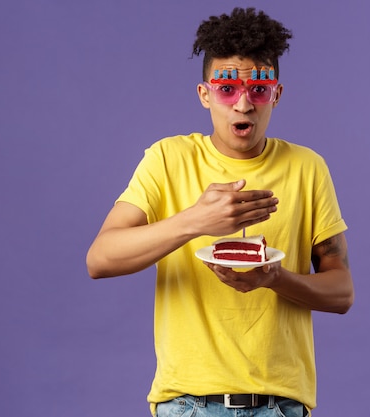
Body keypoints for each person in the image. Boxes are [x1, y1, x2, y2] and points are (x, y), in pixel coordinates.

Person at [86, 7, 354, 417]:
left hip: (280, 405)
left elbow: (342, 293)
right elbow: (100, 259)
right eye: (227, 89)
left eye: (258, 90)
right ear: (204, 94)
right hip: (187, 404)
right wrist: (196, 221)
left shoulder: (308, 167)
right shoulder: (167, 159)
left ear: (276, 95)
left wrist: (275, 278)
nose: (243, 104)